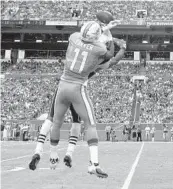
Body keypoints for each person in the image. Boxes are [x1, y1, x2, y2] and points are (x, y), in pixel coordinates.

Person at [29, 21, 126, 178]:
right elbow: (109, 55)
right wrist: (113, 39)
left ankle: (51, 155)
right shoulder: (99, 51)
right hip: (77, 88)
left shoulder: (73, 37)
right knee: (88, 124)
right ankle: (93, 164)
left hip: (62, 86)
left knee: (54, 121)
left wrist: (104, 29)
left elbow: (88, 41)